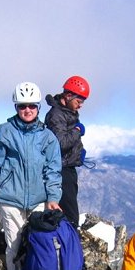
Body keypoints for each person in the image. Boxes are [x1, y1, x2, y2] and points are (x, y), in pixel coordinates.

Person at [0, 81, 62, 270]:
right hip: (10, 198)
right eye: (22, 106)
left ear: (38, 108)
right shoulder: (5, 132)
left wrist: (53, 198)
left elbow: (53, 170)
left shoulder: (47, 137)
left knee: (38, 243)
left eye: (32, 106)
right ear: (16, 107)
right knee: (14, 245)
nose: (27, 110)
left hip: (38, 199)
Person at [45, 75, 90, 227]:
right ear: (68, 95)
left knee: (68, 211)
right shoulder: (55, 115)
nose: (81, 105)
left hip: (67, 167)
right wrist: (78, 130)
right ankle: (70, 243)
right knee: (70, 214)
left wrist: (78, 153)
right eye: (79, 101)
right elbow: (60, 143)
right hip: (61, 170)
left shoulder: (66, 112)